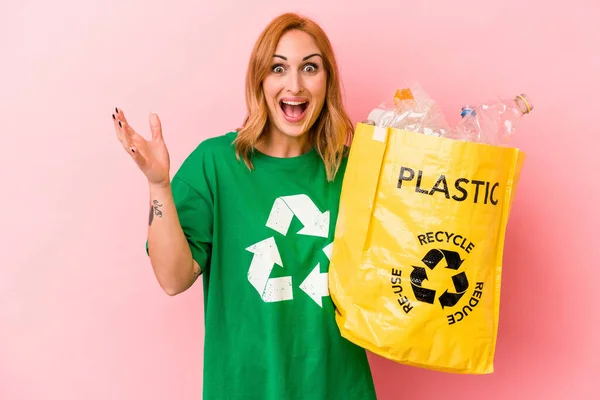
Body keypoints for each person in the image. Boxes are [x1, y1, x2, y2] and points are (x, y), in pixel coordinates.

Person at [112, 12, 377, 400]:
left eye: (310, 68)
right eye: (278, 68)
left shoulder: (356, 168)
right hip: (244, 388)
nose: (295, 85)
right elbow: (173, 278)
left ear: (328, 81)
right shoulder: (216, 164)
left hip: (340, 388)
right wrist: (158, 184)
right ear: (260, 79)